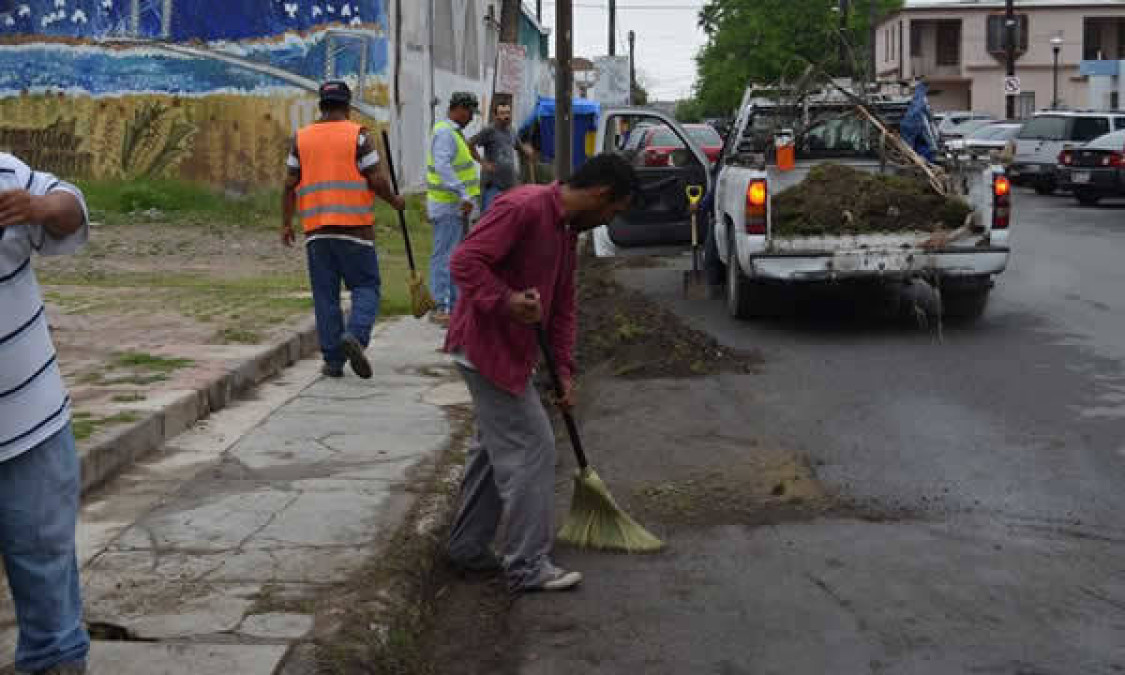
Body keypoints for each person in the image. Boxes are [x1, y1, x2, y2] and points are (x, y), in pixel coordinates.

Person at [443, 154, 637, 593]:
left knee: (492, 452)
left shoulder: (566, 234)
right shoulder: (523, 207)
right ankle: (527, 566)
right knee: (533, 447)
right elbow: (464, 262)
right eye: (614, 211)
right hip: (485, 348)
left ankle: (468, 548)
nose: (609, 220)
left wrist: (564, 372)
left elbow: (563, 307)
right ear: (601, 195)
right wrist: (508, 300)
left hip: (515, 353)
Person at [0, 153, 91, 674]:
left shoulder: (5, 174)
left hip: (30, 429)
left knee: (49, 603)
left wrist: (37, 207)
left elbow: (72, 205)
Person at [282, 80, 406, 379]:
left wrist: (286, 222)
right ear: (348, 106)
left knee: (326, 296)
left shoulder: (302, 137)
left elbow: (288, 184)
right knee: (366, 287)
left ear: (321, 106)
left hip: (317, 231)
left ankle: (333, 361)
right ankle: (356, 335)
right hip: (355, 229)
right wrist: (394, 201)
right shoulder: (358, 135)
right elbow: (375, 179)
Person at [426, 92, 482, 326]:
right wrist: (463, 193)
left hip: (456, 206)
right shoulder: (445, 133)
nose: (471, 118)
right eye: (469, 112)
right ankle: (441, 306)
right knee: (445, 256)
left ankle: (454, 307)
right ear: (458, 108)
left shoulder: (454, 133)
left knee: (454, 256)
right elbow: (442, 166)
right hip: (448, 204)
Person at [470, 100, 533, 213]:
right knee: (489, 217)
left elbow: (519, 147)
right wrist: (483, 163)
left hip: (510, 184)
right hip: (492, 185)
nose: (506, 116)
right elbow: (470, 144)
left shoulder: (512, 130)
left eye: (508, 113)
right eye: (502, 113)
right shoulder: (489, 130)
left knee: (508, 217)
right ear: (495, 115)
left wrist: (526, 150)